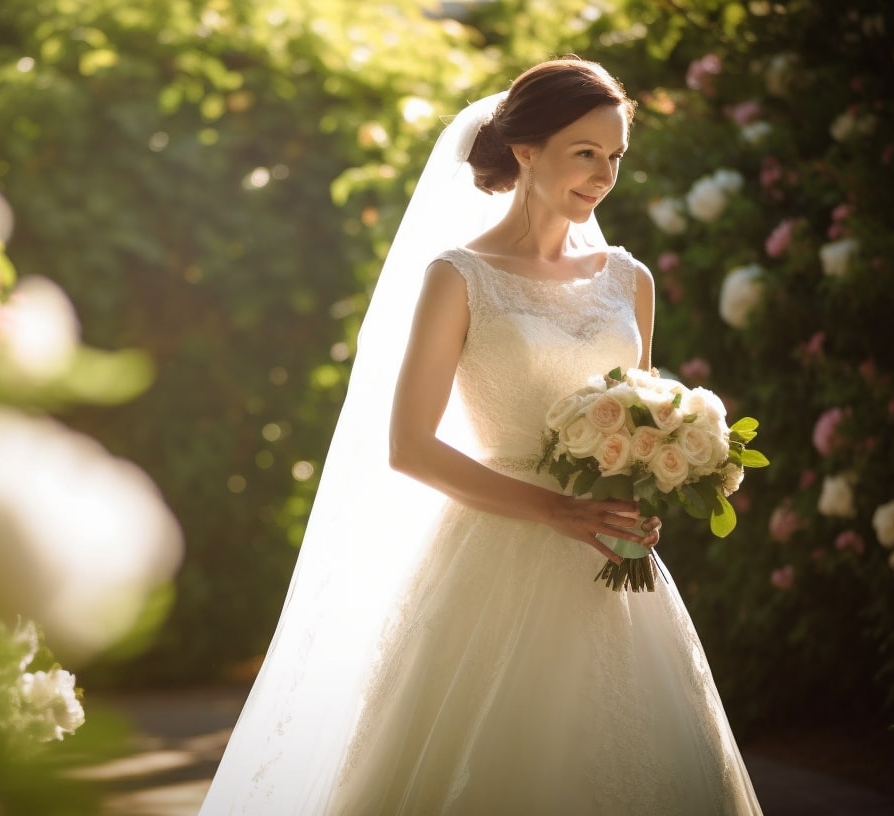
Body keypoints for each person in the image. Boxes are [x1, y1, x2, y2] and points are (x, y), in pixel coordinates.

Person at [202, 57, 762, 814]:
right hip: (495, 552)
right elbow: (410, 445)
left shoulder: (630, 279)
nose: (603, 175)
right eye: (585, 152)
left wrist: (654, 477)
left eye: (615, 157)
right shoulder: (459, 277)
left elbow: (640, 409)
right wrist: (558, 511)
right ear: (527, 150)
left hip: (613, 558)